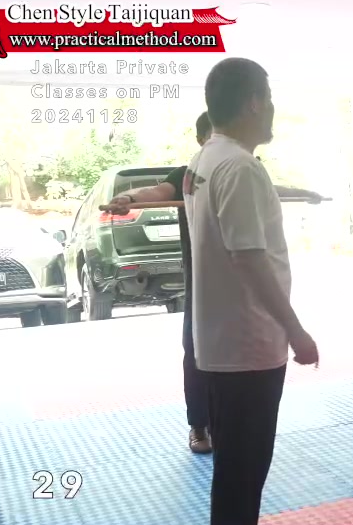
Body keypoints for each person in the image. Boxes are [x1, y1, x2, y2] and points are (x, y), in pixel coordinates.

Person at [105, 112, 323, 456]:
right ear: (201, 140)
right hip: (206, 285)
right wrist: (130, 197)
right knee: (196, 353)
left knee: (242, 370)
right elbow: (156, 191)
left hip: (244, 294)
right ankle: (199, 424)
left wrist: (303, 192)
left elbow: (271, 190)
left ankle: (232, 430)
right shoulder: (193, 173)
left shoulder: (244, 167)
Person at [186, 57, 318, 525]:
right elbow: (249, 259)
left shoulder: (204, 159)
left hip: (220, 343)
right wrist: (296, 330)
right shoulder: (239, 167)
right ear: (254, 103)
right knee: (243, 475)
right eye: (270, 97)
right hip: (247, 345)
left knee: (234, 474)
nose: (274, 109)